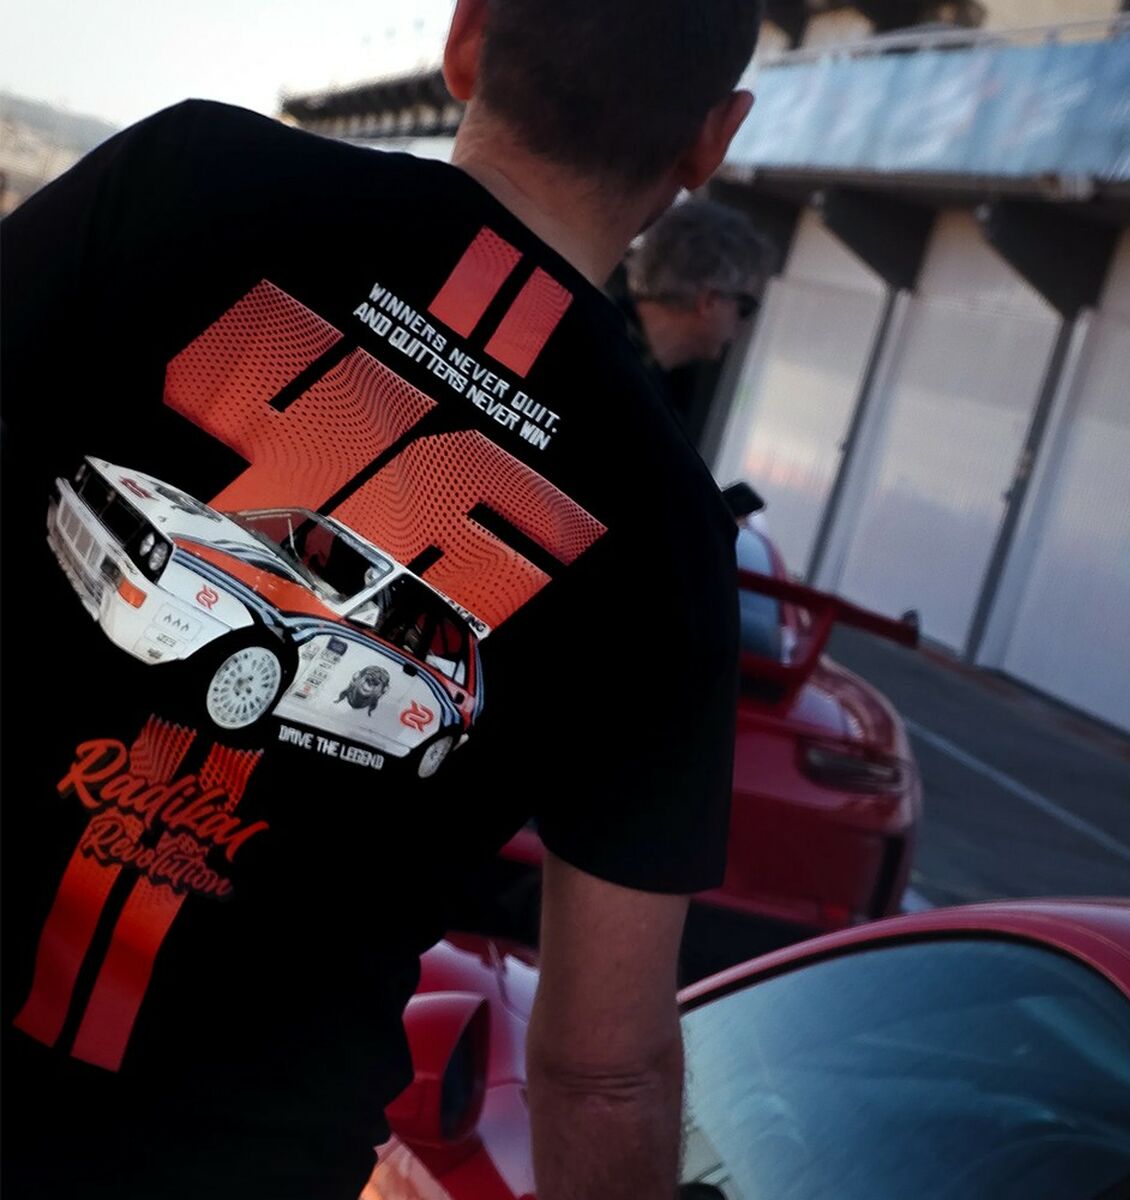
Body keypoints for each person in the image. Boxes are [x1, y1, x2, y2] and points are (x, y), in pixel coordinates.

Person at [0, 2, 762, 1198]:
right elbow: (603, 1072)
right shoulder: (671, 534)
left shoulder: (192, 173)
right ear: (712, 141)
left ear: (467, 37)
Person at [610, 196, 769, 422]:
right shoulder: (591, 342)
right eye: (745, 307)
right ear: (709, 301)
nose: (743, 325)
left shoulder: (659, 386)